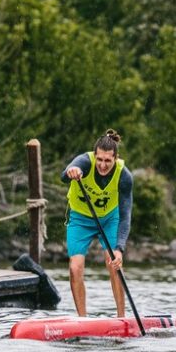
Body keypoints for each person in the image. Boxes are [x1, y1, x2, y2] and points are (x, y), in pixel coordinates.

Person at [61, 129, 134, 317]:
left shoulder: (124, 176)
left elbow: (125, 215)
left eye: (108, 161)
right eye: (99, 159)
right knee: (75, 267)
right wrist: (71, 171)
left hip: (109, 219)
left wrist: (119, 248)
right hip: (79, 218)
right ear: (95, 156)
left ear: (116, 158)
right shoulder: (84, 162)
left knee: (114, 263)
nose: (102, 165)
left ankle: (121, 318)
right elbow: (63, 176)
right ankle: (82, 320)